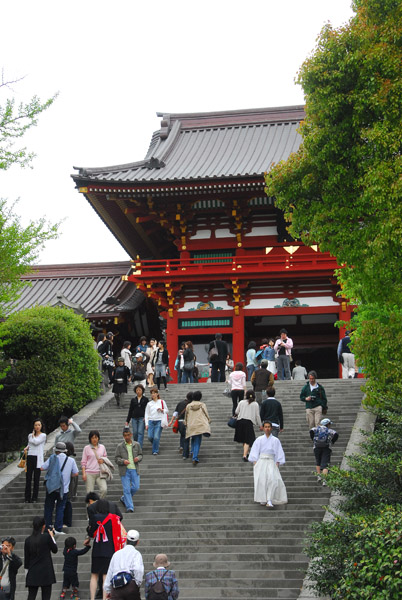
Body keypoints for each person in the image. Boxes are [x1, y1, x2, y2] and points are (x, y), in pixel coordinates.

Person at [86, 499, 123, 600]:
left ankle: (92, 598)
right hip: (109, 549)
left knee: (94, 575)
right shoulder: (114, 518)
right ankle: (104, 598)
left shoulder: (94, 518)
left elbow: (90, 532)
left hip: (97, 549)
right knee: (105, 576)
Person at [41, 441, 79, 534]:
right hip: (64, 489)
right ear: (65, 451)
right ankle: (58, 528)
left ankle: (48, 527)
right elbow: (76, 473)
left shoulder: (52, 458)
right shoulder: (71, 460)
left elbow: (42, 468)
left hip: (51, 488)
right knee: (60, 508)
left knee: (49, 507)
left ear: (56, 450)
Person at [248, 421, 287, 509]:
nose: (267, 428)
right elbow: (254, 451)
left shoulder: (275, 440)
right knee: (261, 480)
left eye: (269, 427)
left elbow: (278, 452)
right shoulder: (259, 439)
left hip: (271, 461)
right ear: (263, 428)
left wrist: (277, 463)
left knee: (272, 480)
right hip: (261, 461)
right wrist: (255, 463)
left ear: (271, 428)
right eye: (265, 427)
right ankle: (263, 497)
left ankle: (269, 499)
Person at [24, 516, 57, 600]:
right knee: (46, 597)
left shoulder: (28, 540)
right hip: (46, 572)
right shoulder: (46, 537)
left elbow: (26, 559)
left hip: (32, 571)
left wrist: (26, 575)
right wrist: (52, 536)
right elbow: (55, 550)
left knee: (31, 596)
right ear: (43, 526)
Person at [104, 529, 143, 600]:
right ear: (137, 542)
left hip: (116, 586)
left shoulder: (116, 554)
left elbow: (110, 571)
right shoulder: (136, 554)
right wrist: (137, 583)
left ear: (126, 540)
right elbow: (138, 569)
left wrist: (108, 589)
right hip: (131, 585)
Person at [115, 428, 142, 513]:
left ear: (131, 435)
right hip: (125, 470)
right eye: (125, 435)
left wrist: (138, 458)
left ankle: (123, 498)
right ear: (123, 436)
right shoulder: (120, 446)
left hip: (134, 469)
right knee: (126, 489)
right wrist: (123, 461)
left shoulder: (137, 445)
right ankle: (130, 507)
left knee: (136, 487)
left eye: (128, 435)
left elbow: (141, 455)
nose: (127, 437)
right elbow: (116, 459)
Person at [184, 390, 211, 466]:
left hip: (191, 425)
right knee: (197, 441)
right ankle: (195, 457)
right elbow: (206, 414)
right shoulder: (202, 405)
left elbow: (186, 415)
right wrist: (209, 420)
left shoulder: (189, 406)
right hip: (199, 425)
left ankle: (192, 451)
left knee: (193, 438)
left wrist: (186, 422)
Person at [234, 390, 262, 461]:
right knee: (248, 440)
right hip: (248, 423)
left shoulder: (241, 402)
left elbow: (236, 411)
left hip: (240, 422)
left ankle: (246, 452)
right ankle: (245, 455)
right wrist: (260, 425)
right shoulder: (255, 404)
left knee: (244, 438)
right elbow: (257, 416)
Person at [310, 418, 339, 485]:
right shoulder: (329, 430)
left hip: (316, 447)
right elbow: (336, 434)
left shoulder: (316, 428)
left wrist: (313, 440)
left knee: (318, 461)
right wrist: (332, 441)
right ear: (328, 424)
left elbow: (311, 431)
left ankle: (319, 476)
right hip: (327, 447)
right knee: (325, 463)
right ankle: (324, 480)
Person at [24, 418, 46, 503]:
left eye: (39, 425)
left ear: (41, 426)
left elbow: (36, 442)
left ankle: (34, 497)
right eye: (36, 425)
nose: (37, 427)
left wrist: (33, 436)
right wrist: (26, 448)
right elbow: (29, 444)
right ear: (33, 426)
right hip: (30, 456)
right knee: (28, 478)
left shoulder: (43, 435)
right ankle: (27, 497)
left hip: (38, 458)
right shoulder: (30, 435)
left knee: (36, 478)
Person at [81, 430, 108, 498]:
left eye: (96, 437)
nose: (94, 439)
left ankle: (99, 504)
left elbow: (105, 458)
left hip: (100, 473)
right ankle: (90, 508)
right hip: (89, 473)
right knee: (89, 493)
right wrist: (84, 473)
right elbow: (83, 462)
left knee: (104, 489)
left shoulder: (102, 447)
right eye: (92, 438)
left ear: (98, 438)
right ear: (90, 439)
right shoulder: (86, 448)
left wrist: (103, 460)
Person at [169, 392, 193, 459]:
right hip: (186, 422)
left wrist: (171, 421)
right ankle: (185, 454)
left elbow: (175, 413)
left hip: (179, 422)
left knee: (182, 435)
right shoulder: (190, 404)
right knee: (186, 438)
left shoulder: (180, 403)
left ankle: (181, 446)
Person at [145, 387, 169, 455]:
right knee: (150, 437)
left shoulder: (162, 401)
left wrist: (162, 410)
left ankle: (155, 450)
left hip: (159, 420)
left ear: (157, 394)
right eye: (152, 393)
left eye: (154, 393)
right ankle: (156, 444)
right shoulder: (149, 403)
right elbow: (146, 413)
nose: (153, 395)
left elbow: (167, 410)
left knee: (156, 436)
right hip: (151, 421)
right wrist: (146, 424)